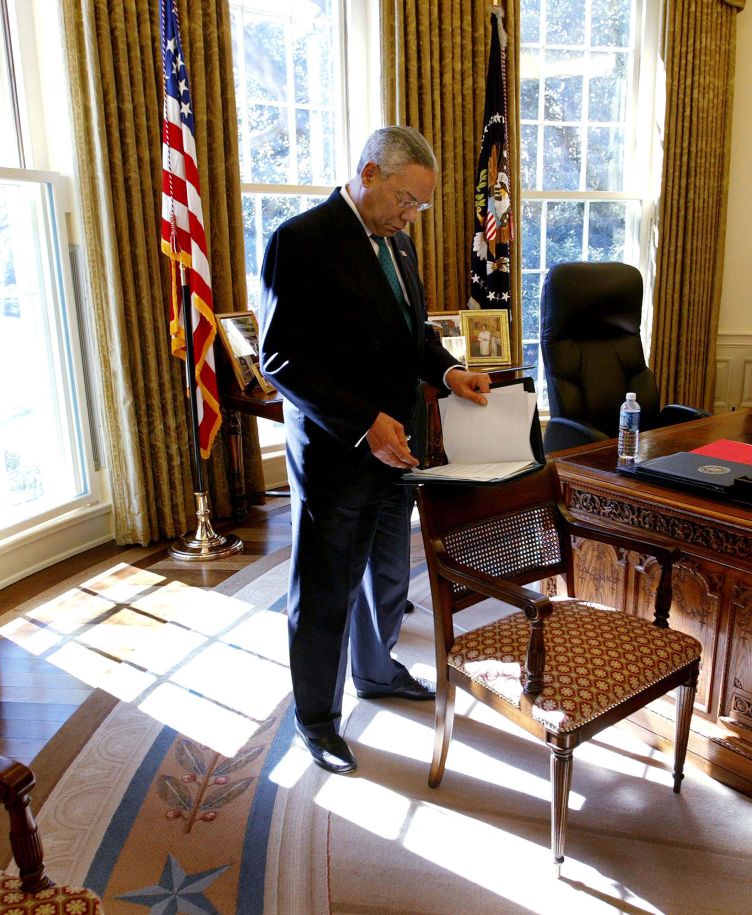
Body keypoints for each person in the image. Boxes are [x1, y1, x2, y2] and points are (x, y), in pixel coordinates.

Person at [258, 126, 491, 774]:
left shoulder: (398, 245)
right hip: (339, 451)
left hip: (400, 450)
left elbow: (411, 333)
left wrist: (447, 372)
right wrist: (364, 422)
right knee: (327, 590)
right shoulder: (300, 241)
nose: (412, 215)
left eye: (420, 205)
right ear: (368, 174)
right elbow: (279, 356)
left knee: (388, 576)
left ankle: (377, 669)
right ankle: (318, 719)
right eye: (407, 200)